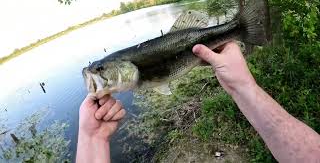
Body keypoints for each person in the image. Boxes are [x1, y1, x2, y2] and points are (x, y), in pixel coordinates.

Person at [77, 41, 320, 163]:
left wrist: (91, 140)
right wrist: (92, 138)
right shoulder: (138, 77)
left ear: (125, 67)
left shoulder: (141, 74)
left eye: (101, 69)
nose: (97, 73)